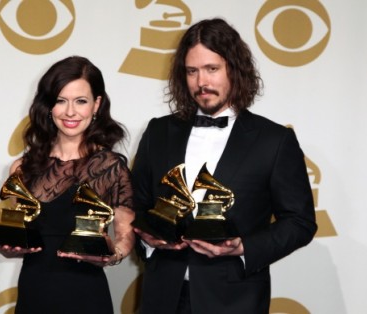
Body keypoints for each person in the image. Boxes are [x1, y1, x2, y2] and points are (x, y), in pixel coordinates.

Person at [130, 18, 318, 314]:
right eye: (192, 71)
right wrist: (150, 240)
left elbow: (300, 222)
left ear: (235, 68)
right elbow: (136, 205)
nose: (201, 82)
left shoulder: (275, 141)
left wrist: (244, 246)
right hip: (161, 298)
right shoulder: (158, 132)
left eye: (212, 69)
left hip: (235, 301)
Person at [0, 56, 135, 314]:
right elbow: (21, 235)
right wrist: (10, 247)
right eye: (61, 101)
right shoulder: (22, 169)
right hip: (35, 292)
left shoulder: (110, 167)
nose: (70, 112)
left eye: (81, 101)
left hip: (87, 296)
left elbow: (125, 233)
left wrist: (113, 254)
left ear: (96, 104)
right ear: (48, 106)